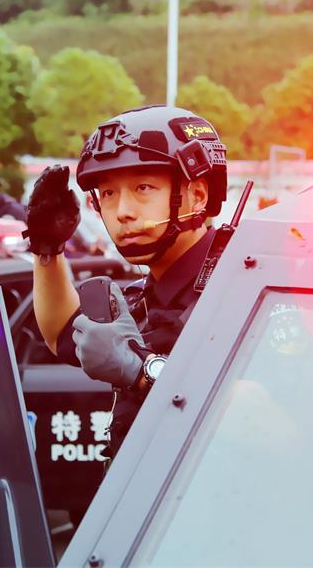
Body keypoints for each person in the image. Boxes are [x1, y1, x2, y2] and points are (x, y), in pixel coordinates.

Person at [25, 105, 228, 455]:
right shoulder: (143, 299)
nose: (122, 212)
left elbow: (283, 424)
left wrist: (142, 372)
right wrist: (47, 250)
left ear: (198, 194)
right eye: (108, 194)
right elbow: (62, 334)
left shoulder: (249, 285)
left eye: (143, 187)